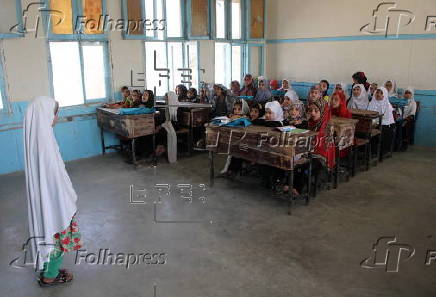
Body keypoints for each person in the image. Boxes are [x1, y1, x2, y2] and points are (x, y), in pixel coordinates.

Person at [24, 96, 82, 287]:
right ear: (46, 115)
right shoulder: (46, 145)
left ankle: (49, 268)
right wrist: (68, 199)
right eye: (56, 113)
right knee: (56, 230)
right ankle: (50, 275)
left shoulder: (36, 139)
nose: (57, 117)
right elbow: (56, 178)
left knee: (47, 230)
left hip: (46, 199)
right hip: (55, 200)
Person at [367, 87, 395, 156]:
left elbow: (385, 118)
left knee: (380, 131)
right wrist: (373, 122)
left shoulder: (387, 105)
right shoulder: (372, 103)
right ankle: (368, 151)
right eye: (377, 92)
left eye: (381, 93)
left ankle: (379, 151)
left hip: (385, 124)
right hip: (374, 123)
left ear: (384, 95)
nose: (378, 94)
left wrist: (375, 123)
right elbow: (368, 113)